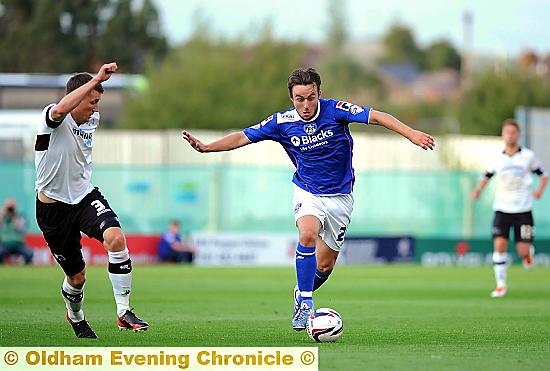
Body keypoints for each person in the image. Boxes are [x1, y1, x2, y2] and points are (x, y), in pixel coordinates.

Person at [182, 67, 435, 331]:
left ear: (319, 93)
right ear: (291, 98)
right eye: (299, 98)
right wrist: (207, 147)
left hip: (340, 196)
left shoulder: (336, 110)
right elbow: (242, 136)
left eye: (311, 97)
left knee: (324, 266)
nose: (305, 104)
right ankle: (305, 302)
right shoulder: (281, 122)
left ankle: (302, 290)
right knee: (307, 235)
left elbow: (377, 116)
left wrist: (411, 133)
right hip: (307, 191)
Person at [34, 62, 148, 338]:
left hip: (85, 197)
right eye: (92, 102)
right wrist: (96, 78)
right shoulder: (52, 117)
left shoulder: (91, 120)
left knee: (116, 239)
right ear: (77, 97)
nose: (96, 109)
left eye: (98, 102)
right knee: (77, 277)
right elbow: (62, 109)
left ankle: (123, 312)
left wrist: (95, 88)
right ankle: (76, 317)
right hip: (53, 210)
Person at [472, 119, 547, 298]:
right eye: (507, 132)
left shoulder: (528, 156)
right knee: (499, 245)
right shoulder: (498, 158)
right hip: (502, 208)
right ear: (503, 135)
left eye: (513, 133)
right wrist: (478, 190)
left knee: (522, 250)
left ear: (518, 135)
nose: (510, 136)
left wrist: (539, 191)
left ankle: (527, 254)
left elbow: (544, 175)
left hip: (523, 209)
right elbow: (487, 175)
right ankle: (500, 285)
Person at [0, 198, 34, 265]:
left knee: (29, 253)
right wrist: (2, 215)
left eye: (12, 208)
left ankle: (26, 269)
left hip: (19, 244)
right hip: (5, 244)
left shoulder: (21, 216)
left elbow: (24, 229)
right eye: (9, 208)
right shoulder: (3, 217)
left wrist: (16, 219)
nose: (10, 210)